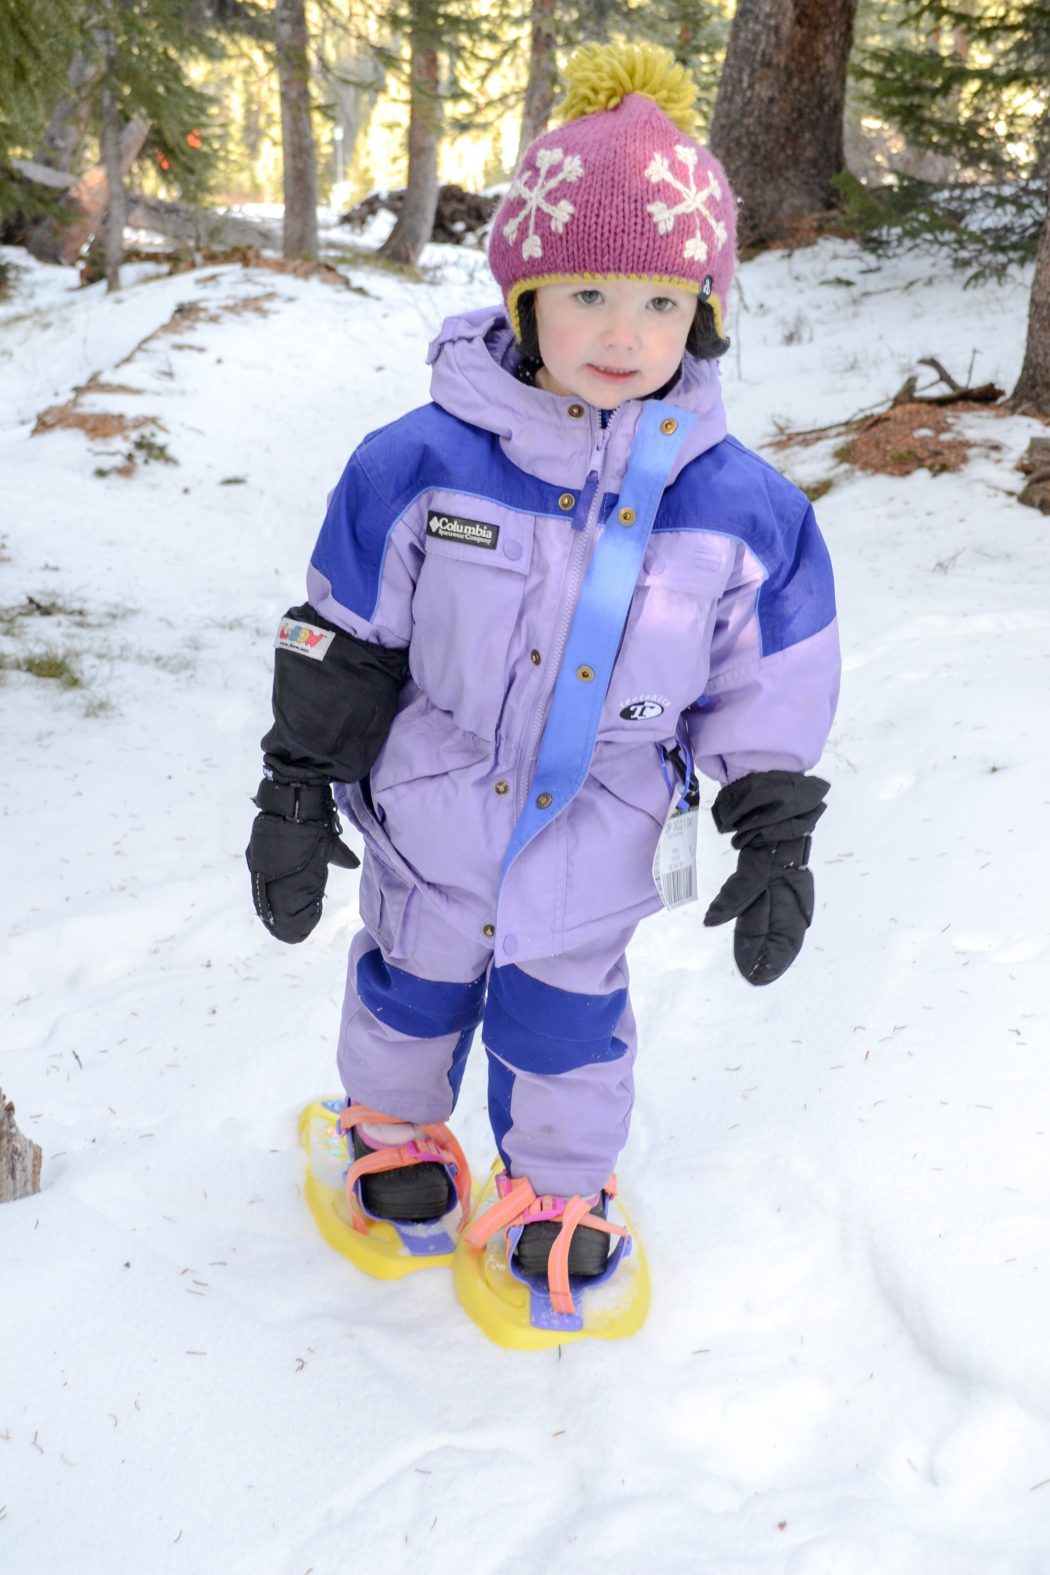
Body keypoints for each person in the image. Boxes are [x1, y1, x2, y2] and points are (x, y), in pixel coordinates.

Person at [246, 42, 841, 1317]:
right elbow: (345, 634)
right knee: (408, 989)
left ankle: (561, 1186)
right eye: (585, 296)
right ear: (522, 300)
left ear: (705, 315)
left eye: (663, 304)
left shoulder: (745, 511)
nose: (623, 336)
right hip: (434, 803)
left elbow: (769, 678)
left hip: (602, 830)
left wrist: (775, 831)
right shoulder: (417, 464)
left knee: (568, 1027)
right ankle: (392, 1135)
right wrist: (295, 788)